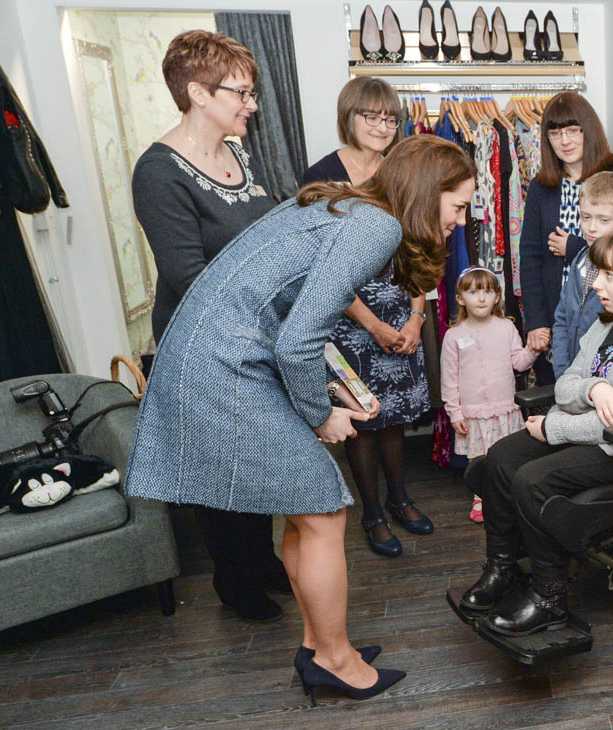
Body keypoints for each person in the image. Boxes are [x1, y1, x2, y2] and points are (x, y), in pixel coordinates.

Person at [125, 134, 477, 700]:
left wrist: (336, 392)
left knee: (305, 506)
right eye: (457, 205)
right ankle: (334, 659)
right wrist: (319, 415)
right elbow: (298, 342)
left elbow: (299, 320)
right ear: (426, 190)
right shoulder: (377, 227)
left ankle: (319, 647)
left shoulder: (347, 203)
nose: (459, 221)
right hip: (226, 365)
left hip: (214, 353)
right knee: (324, 510)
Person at [460, 229, 613, 635]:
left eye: (609, 275)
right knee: (501, 458)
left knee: (532, 480)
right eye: (597, 273)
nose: (596, 284)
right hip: (594, 435)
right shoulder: (607, 326)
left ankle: (549, 597)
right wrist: (595, 388)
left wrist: (554, 428)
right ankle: (503, 567)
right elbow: (566, 384)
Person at [131, 30, 288, 622]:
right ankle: (236, 582)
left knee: (255, 456)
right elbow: (190, 278)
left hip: (253, 336)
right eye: (240, 93)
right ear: (198, 92)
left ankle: (262, 560)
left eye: (251, 92)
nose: (251, 104)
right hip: (202, 347)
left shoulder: (238, 153)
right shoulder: (159, 172)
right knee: (221, 466)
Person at [299, 76, 432, 558]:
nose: (381, 126)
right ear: (348, 117)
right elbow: (318, 264)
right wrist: (371, 324)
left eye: (390, 119)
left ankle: (400, 498)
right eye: (370, 116)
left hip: (401, 306)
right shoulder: (321, 176)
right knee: (362, 416)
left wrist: (415, 318)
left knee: (393, 419)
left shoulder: (401, 169)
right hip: (345, 314)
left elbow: (420, 248)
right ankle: (372, 512)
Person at [519, 92, 613, 386]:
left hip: (609, 315)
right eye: (555, 133)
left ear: (588, 130)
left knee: (603, 391)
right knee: (560, 388)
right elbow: (529, 257)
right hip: (561, 321)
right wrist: (536, 321)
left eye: (572, 130)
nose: (564, 141)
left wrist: (576, 248)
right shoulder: (542, 186)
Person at [440, 267, 540, 523]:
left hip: (504, 407)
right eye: (473, 292)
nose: (481, 298)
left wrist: (533, 349)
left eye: (487, 291)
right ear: (460, 298)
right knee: (479, 457)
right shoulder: (453, 336)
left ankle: (508, 495)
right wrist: (454, 412)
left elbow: (519, 363)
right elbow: (449, 378)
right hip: (473, 412)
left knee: (507, 454)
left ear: (497, 296)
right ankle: (481, 496)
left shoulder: (506, 327)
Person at [551, 170, 613, 377]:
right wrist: (563, 373)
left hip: (604, 377)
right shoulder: (580, 260)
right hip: (570, 373)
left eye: (603, 220)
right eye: (585, 217)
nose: (591, 228)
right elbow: (561, 319)